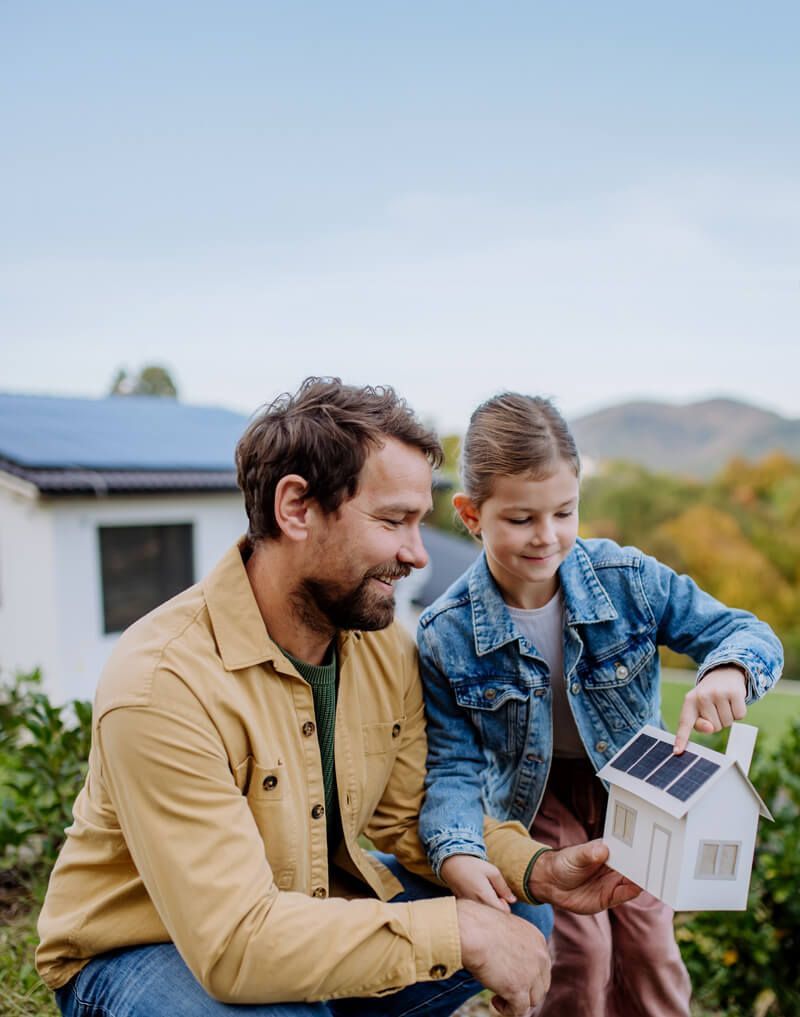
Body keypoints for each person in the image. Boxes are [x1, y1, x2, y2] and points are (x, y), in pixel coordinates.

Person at [36, 378, 640, 1017]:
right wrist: (457, 931)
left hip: (304, 907)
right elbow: (235, 943)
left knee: (517, 911)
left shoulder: (379, 645)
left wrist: (537, 869)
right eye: (392, 521)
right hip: (147, 947)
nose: (415, 554)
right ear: (296, 507)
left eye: (419, 522)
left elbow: (413, 813)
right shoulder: (162, 684)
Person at [417, 392, 784, 1017]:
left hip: (639, 786)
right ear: (471, 514)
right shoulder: (445, 632)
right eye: (521, 519)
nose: (547, 537)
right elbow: (452, 763)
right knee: (578, 955)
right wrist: (456, 847)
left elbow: (746, 633)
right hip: (536, 800)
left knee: (651, 947)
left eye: (564, 512)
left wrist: (729, 669)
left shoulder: (628, 579)